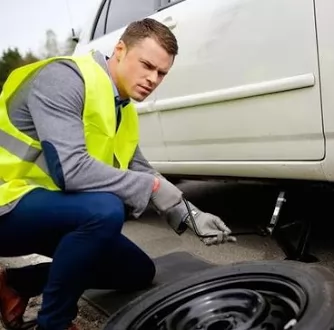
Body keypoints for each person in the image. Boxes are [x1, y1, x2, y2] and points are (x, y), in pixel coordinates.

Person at [0, 18, 236, 330]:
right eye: (147, 65)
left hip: (49, 211)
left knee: (136, 271)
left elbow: (139, 168)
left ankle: (15, 283)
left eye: (161, 73)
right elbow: (70, 170)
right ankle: (54, 323)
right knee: (104, 211)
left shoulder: (119, 108)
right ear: (121, 50)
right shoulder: (63, 78)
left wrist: (192, 216)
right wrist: (151, 187)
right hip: (7, 206)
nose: (153, 79)